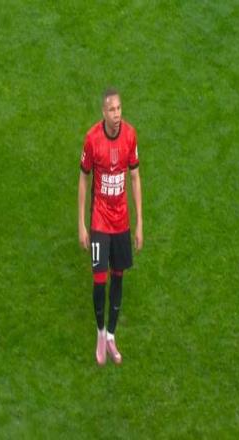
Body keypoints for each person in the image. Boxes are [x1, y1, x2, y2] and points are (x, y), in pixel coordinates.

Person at [78, 88, 143, 366]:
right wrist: (81, 224)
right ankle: (100, 332)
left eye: (119, 109)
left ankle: (112, 336)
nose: (117, 114)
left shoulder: (130, 135)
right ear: (103, 112)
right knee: (99, 279)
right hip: (100, 220)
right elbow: (83, 179)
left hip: (122, 221)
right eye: (112, 110)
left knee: (118, 276)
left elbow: (135, 178)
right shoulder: (92, 139)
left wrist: (140, 223)